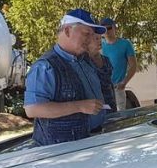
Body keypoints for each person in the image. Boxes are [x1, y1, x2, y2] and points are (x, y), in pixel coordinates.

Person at [24, 9, 108, 146]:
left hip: (89, 142)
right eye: (87, 34)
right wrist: (80, 106)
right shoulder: (45, 67)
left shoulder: (84, 60)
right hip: (62, 151)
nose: (90, 40)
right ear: (68, 31)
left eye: (92, 35)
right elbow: (33, 109)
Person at [99, 17, 137, 110]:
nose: (107, 31)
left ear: (115, 28)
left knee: (120, 115)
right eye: (103, 29)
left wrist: (124, 82)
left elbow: (133, 65)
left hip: (117, 87)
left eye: (109, 28)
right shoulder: (99, 45)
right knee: (105, 115)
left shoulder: (125, 44)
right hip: (103, 88)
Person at [87, 30, 117, 112]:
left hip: (110, 106)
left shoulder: (106, 60)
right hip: (95, 108)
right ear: (88, 40)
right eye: (96, 38)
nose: (99, 41)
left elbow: (110, 84)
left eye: (100, 38)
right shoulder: (84, 61)